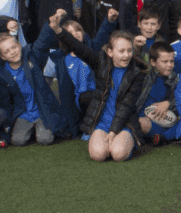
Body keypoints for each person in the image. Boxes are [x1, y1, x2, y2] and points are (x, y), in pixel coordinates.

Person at [49, 10, 146, 162]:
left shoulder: (137, 73)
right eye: (121, 51)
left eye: (129, 50)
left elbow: (126, 106)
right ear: (110, 52)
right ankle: (111, 141)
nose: (126, 55)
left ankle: (128, 141)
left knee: (118, 154)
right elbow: (79, 48)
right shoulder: (100, 62)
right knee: (98, 155)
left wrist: (114, 132)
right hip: (102, 121)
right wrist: (58, 30)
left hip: (124, 122)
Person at [137, 42, 181, 146]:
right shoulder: (145, 77)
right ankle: (163, 137)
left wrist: (168, 103)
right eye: (165, 62)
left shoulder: (175, 79)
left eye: (171, 61)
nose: (169, 65)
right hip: (145, 120)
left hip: (165, 120)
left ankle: (163, 137)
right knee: (137, 122)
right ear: (153, 62)